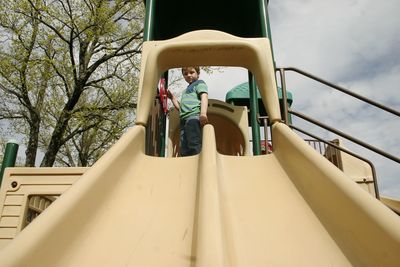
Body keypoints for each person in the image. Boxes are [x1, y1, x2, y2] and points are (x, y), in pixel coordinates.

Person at [167, 67, 208, 156]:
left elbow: (204, 97)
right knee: (183, 146)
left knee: (193, 141)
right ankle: (186, 162)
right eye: (185, 74)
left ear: (198, 73)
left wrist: (203, 113)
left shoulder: (199, 83)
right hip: (183, 119)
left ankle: (198, 158)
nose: (188, 75)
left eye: (192, 72)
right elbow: (180, 108)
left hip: (193, 116)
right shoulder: (185, 91)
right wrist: (172, 98)